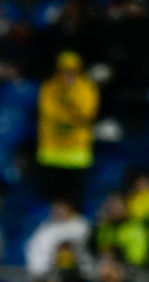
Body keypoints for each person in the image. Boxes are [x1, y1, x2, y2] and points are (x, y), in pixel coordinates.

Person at [37, 51, 99, 209]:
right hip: (52, 151)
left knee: (73, 198)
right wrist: (69, 118)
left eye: (72, 71)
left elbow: (87, 113)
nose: (67, 74)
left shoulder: (87, 88)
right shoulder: (49, 87)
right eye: (64, 70)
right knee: (50, 198)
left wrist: (71, 92)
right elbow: (48, 112)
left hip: (76, 153)